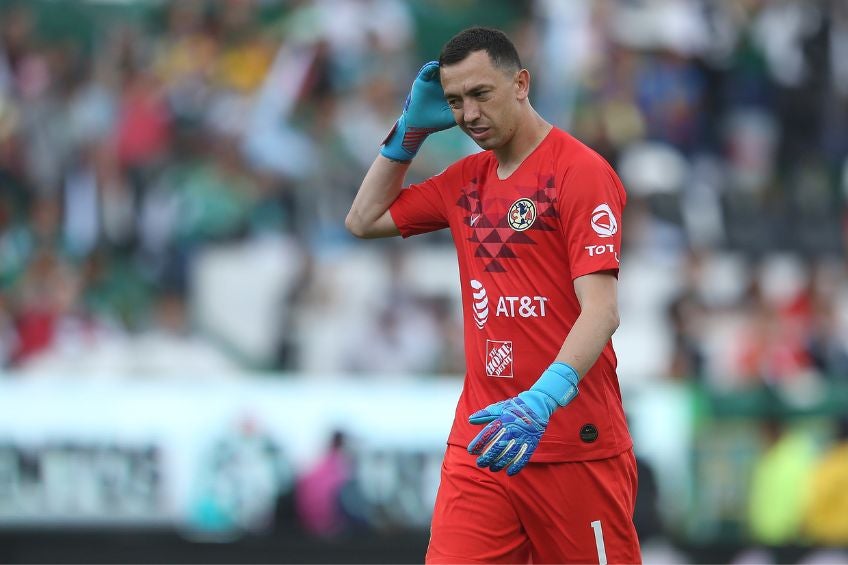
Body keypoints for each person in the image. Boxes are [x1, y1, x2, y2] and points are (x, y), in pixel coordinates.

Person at [345, 26, 641, 564]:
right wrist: (408, 132)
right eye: (455, 101)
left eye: (481, 94)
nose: (468, 114)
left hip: (573, 444)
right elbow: (362, 220)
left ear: (521, 83)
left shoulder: (580, 173)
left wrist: (543, 400)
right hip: (482, 442)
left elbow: (602, 310)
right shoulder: (465, 181)